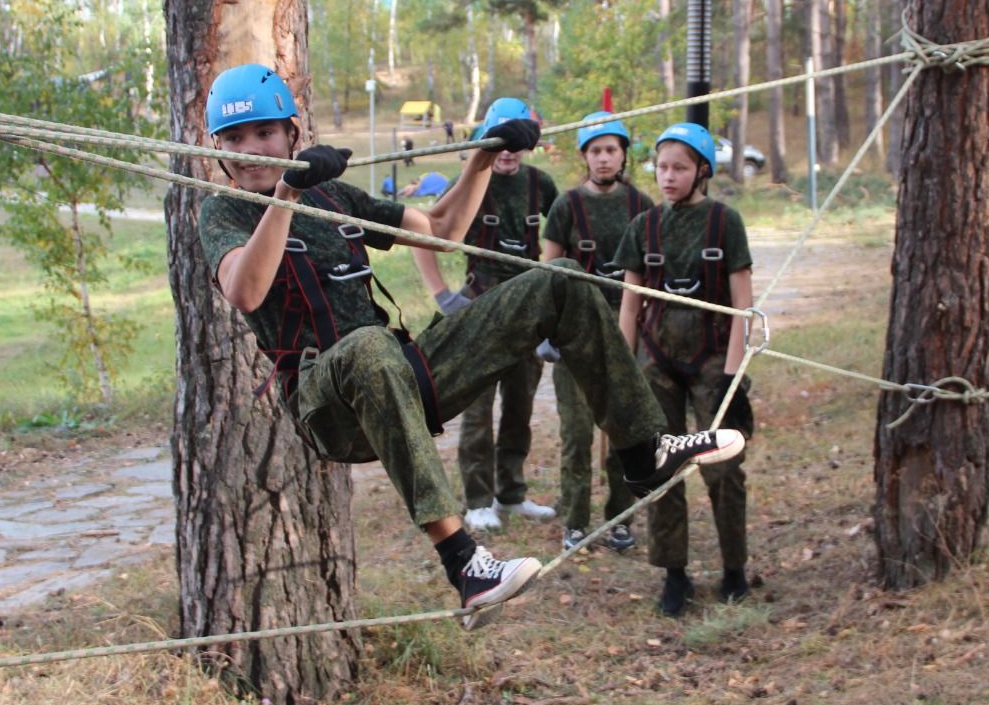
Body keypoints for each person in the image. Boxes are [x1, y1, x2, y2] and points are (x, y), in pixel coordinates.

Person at [197, 65, 745, 628]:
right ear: (217, 149)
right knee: (367, 347)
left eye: (264, 134)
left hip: (401, 374)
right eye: (235, 139)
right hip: (328, 404)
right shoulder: (222, 210)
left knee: (558, 278)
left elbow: (440, 228)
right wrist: (288, 192)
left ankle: (643, 450)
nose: (251, 150)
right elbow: (245, 290)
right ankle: (466, 566)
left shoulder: (333, 196)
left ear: (292, 132)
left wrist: (483, 157)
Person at [614, 122, 756, 617]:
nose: (668, 177)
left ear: (701, 171)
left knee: (723, 471)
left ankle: (735, 569)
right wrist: (623, 375)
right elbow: (630, 306)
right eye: (662, 167)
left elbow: (744, 305)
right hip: (656, 363)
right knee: (661, 468)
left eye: (679, 168)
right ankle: (674, 575)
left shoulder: (725, 223)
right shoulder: (644, 228)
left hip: (714, 362)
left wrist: (733, 381)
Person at [540, 111, 654, 552]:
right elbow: (547, 268)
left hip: (628, 332)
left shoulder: (640, 206)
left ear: (623, 155)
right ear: (585, 157)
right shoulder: (567, 206)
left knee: (626, 428)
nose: (604, 159)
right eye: (595, 151)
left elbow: (651, 268)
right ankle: (575, 521)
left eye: (611, 150)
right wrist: (546, 328)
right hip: (575, 334)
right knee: (577, 433)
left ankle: (621, 518)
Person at [450, 98, 560, 533]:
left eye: (515, 142)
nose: (508, 151)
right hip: (480, 309)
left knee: (519, 406)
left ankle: (511, 493)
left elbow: (567, 232)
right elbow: (432, 228)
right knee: (477, 410)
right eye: (499, 141)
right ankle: (478, 500)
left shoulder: (540, 185)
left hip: (527, 312)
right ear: (485, 143)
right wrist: (443, 295)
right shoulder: (471, 181)